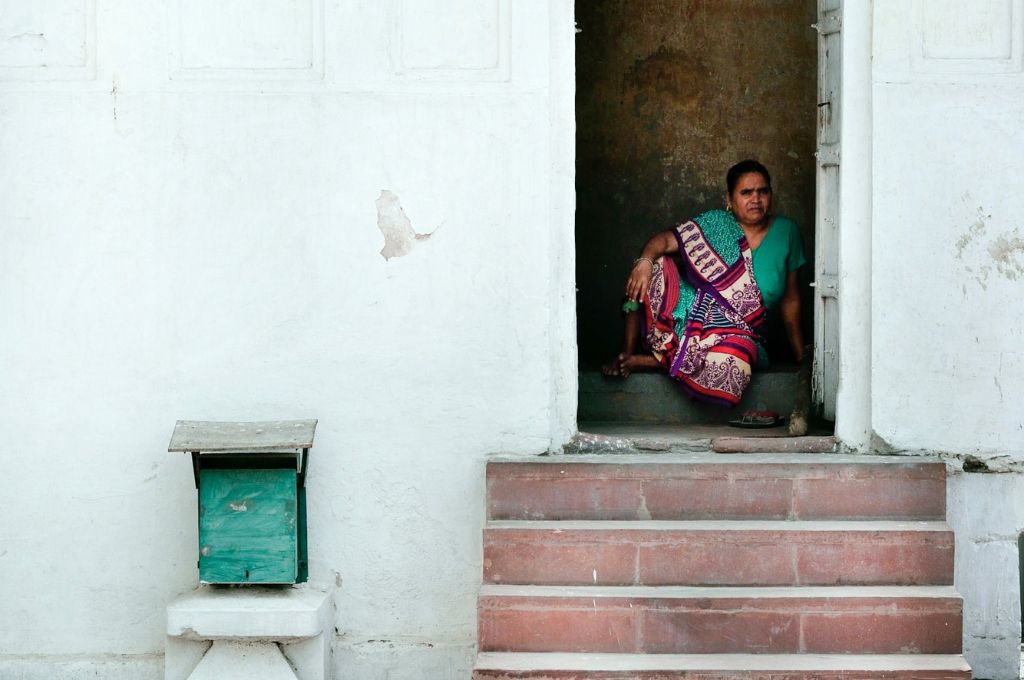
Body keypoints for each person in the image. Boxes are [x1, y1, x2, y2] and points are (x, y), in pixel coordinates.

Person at [602, 160, 805, 407]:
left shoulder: (787, 231)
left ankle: (649, 361)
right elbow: (665, 241)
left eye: (763, 191)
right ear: (729, 199)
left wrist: (800, 356)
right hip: (692, 318)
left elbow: (791, 298)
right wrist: (644, 261)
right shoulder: (716, 224)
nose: (756, 199)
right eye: (746, 192)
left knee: (733, 362)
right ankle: (627, 352)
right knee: (654, 265)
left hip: (741, 333)